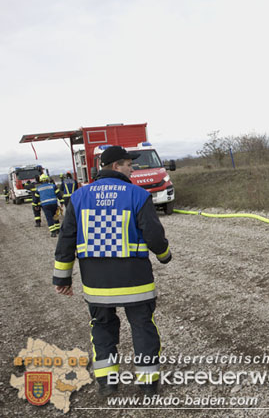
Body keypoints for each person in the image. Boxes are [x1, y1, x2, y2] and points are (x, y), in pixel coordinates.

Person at [52, 145, 172, 397]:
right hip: (135, 281)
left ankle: (107, 383)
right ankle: (148, 384)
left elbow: (66, 239)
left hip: (96, 284)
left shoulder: (79, 197)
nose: (132, 168)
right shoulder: (137, 195)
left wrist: (62, 277)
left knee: (102, 327)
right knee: (142, 326)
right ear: (116, 166)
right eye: (129, 164)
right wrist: (164, 255)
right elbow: (154, 235)